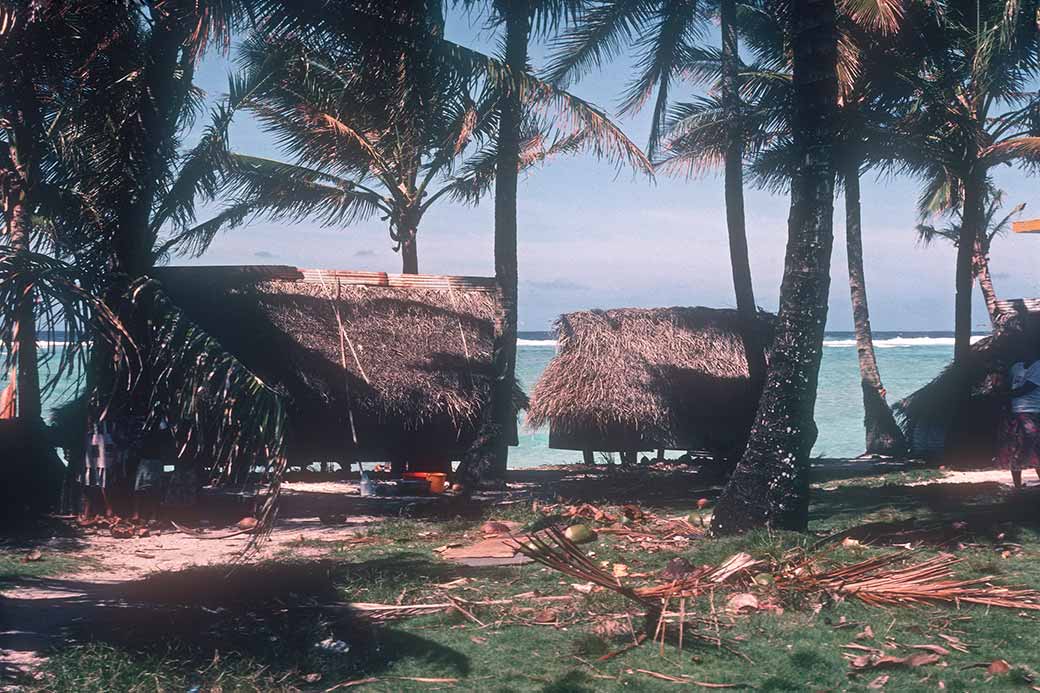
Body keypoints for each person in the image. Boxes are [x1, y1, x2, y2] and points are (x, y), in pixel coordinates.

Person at [996, 356, 1040, 488]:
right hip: (1016, 412)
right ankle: (1017, 485)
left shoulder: (1038, 366)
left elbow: (1026, 389)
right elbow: (1009, 384)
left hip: (1034, 410)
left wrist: (1002, 394)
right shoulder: (1016, 367)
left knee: (1032, 443)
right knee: (1016, 446)